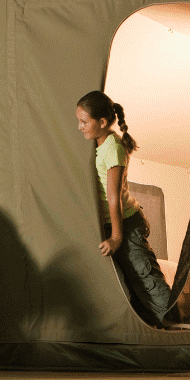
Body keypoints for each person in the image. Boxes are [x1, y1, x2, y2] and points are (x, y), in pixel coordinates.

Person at [75, 90, 172, 327]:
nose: (80, 127)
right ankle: (152, 328)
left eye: (84, 122)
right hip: (114, 222)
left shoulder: (113, 148)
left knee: (146, 278)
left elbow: (113, 196)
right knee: (128, 282)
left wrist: (117, 237)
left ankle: (173, 326)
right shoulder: (99, 144)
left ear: (103, 122)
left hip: (126, 224)